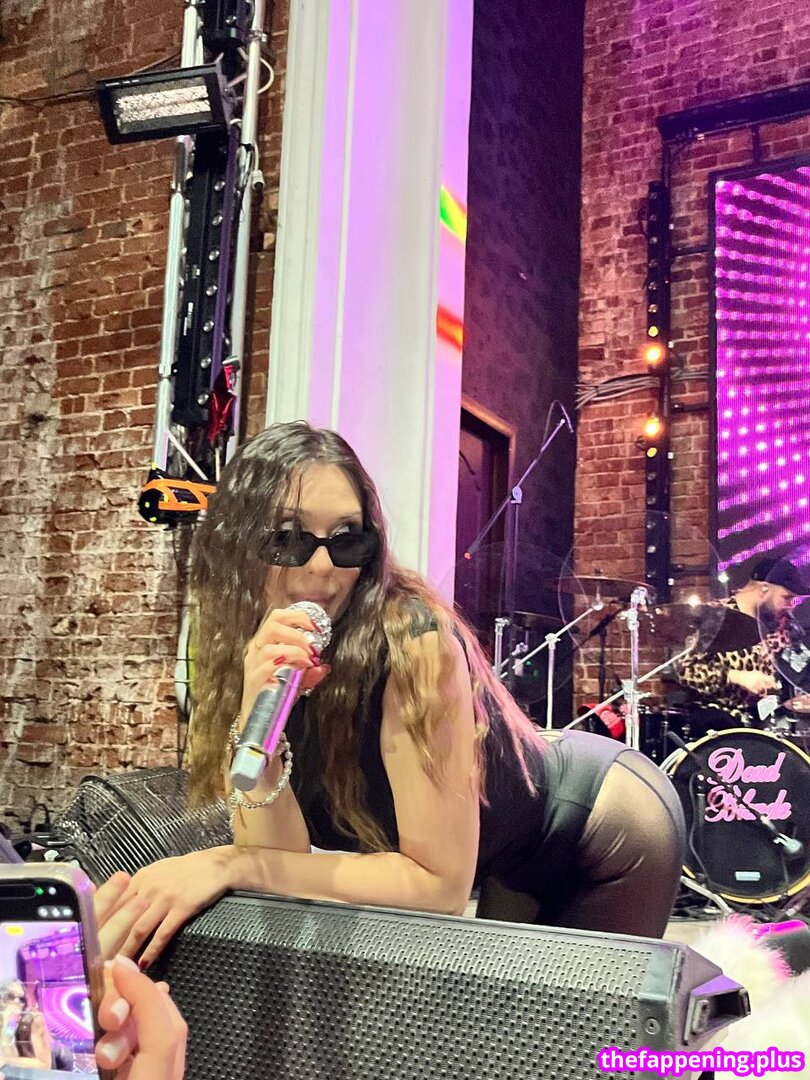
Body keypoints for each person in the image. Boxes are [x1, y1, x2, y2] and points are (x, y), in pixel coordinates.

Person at [106, 421, 685, 964]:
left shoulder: (413, 643)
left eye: (346, 539)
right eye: (288, 537)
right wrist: (261, 731)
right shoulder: (251, 650)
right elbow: (279, 860)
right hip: (506, 850)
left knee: (565, 1033)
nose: (323, 567)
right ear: (238, 546)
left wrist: (230, 864)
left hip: (599, 828)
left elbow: (437, 888)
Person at [673, 557, 810, 728]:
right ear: (764, 589)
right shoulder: (717, 617)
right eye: (787, 597)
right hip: (716, 719)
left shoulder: (783, 624)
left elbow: (799, 669)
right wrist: (735, 676)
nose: (791, 606)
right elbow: (683, 669)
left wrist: (801, 694)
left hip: (763, 721)